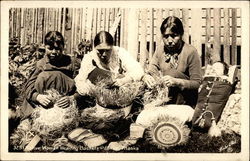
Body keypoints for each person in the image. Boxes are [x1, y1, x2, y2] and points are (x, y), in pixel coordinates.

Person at [143, 16, 202, 107]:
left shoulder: (191, 52)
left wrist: (177, 82)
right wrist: (147, 77)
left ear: (181, 34)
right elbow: (152, 71)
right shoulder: (160, 50)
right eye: (166, 36)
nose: (169, 40)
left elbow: (197, 83)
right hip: (164, 98)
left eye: (174, 36)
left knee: (172, 73)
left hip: (185, 101)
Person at [20, 31, 76, 119]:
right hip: (44, 101)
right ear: (45, 47)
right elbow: (29, 85)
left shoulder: (71, 63)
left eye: (57, 49)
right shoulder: (41, 64)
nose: (54, 52)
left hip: (64, 102)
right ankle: (30, 118)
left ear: (63, 48)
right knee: (43, 76)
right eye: (50, 48)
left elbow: (82, 84)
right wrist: (37, 97)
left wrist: (72, 98)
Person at [75, 31, 144, 96]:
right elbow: (80, 82)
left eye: (108, 50)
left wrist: (122, 81)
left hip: (121, 91)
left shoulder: (119, 52)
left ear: (112, 47)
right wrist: (97, 88)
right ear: (95, 48)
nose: (104, 54)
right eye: (100, 51)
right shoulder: (89, 58)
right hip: (97, 94)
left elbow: (138, 70)